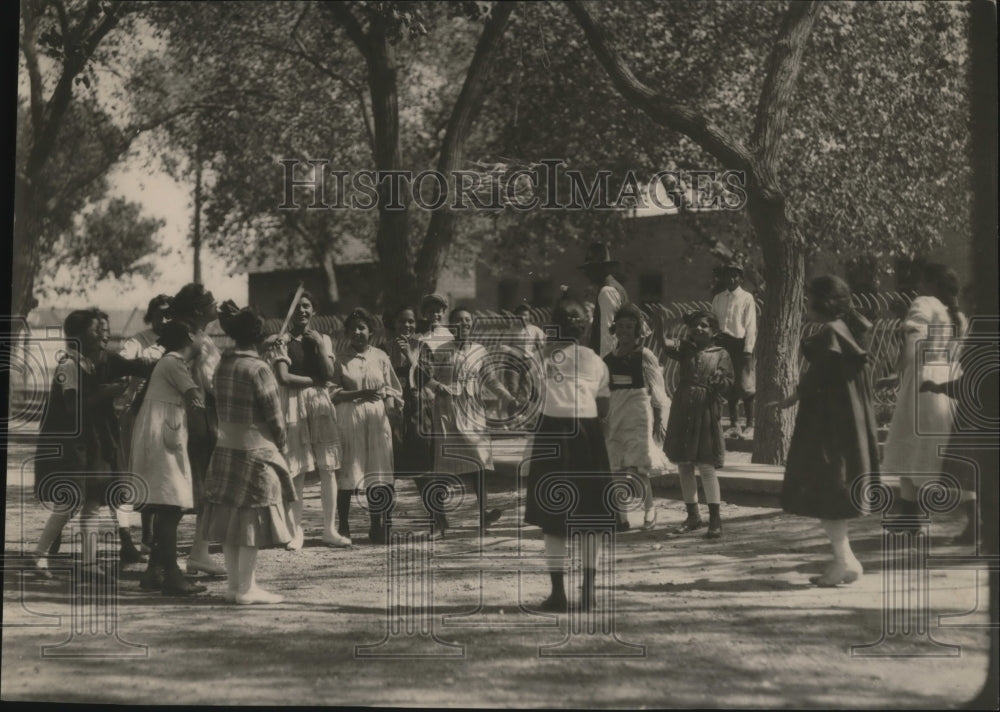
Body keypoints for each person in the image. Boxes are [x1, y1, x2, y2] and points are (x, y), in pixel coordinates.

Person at [772, 275, 880, 587]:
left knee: (828, 488)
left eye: (808, 299)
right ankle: (845, 559)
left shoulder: (832, 334)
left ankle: (845, 561)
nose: (805, 304)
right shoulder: (849, 332)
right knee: (834, 491)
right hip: (846, 425)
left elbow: (816, 377)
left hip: (829, 427)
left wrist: (792, 396)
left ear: (824, 302)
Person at [32, 309, 153, 577]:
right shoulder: (68, 367)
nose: (103, 336)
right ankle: (40, 554)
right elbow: (73, 409)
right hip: (71, 446)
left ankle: (88, 563)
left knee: (92, 504)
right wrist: (106, 393)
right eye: (96, 331)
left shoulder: (92, 364)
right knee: (69, 503)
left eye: (104, 331)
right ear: (76, 336)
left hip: (90, 445)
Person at [199, 302, 295, 605]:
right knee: (250, 521)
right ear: (258, 335)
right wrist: (282, 444)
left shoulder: (223, 365)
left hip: (226, 448)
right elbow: (274, 416)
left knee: (229, 520)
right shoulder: (259, 369)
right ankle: (247, 588)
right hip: (255, 452)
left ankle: (233, 586)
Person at [524, 298, 615, 611]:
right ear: (585, 327)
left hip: (553, 434)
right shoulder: (596, 360)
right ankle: (588, 592)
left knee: (554, 516)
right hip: (588, 437)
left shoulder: (541, 357)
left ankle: (558, 594)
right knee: (590, 515)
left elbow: (534, 395)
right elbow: (603, 407)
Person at [879, 263, 968, 531]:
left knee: (909, 444)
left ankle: (912, 515)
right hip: (948, 378)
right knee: (939, 451)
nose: (918, 287)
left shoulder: (925, 303)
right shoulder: (958, 316)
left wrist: (897, 372)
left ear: (932, 284)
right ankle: (971, 518)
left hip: (922, 379)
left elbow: (913, 338)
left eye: (922, 281)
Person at [422, 307, 516, 535]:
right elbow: (423, 374)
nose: (464, 325)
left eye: (467, 321)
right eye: (459, 321)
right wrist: (437, 386)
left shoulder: (479, 350)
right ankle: (438, 519)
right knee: (444, 466)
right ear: (451, 325)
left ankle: (484, 515)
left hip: (473, 411)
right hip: (447, 410)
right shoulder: (440, 349)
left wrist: (508, 397)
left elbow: (490, 379)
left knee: (480, 461)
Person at [131, 322, 208, 596]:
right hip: (160, 437)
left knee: (168, 504)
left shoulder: (173, 363)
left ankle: (154, 572)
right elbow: (195, 396)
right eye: (202, 333)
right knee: (171, 506)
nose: (205, 338)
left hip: (164, 434)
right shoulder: (173, 363)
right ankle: (173, 575)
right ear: (190, 336)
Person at [263, 290, 344, 549]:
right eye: (297, 306)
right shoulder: (281, 341)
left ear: (314, 310)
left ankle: (330, 530)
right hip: (293, 404)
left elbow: (330, 372)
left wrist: (320, 345)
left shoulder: (324, 339)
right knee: (296, 468)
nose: (302, 311)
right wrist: (315, 381)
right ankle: (295, 532)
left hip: (319, 404)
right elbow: (284, 378)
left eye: (307, 306)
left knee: (328, 467)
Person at [330, 308, 402, 545]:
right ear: (347, 332)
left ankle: (377, 525)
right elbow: (331, 393)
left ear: (371, 331)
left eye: (362, 328)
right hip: (349, 418)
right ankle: (344, 525)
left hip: (376, 419)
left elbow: (391, 387)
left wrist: (390, 404)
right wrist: (359, 393)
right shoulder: (339, 358)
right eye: (353, 328)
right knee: (348, 470)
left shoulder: (380, 356)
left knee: (378, 470)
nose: (357, 332)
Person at [661, 310, 733, 538]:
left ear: (714, 331)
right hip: (683, 408)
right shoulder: (684, 349)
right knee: (684, 464)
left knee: (706, 465)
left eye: (704, 326)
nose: (699, 329)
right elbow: (664, 343)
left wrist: (721, 380)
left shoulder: (722, 354)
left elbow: (729, 382)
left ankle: (715, 518)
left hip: (706, 412)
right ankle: (692, 516)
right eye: (695, 326)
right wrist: (657, 322)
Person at [170, 283, 225, 576]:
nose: (216, 304)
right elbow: (212, 383)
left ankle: (196, 552)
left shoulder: (193, 338)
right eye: (210, 301)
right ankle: (195, 553)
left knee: (196, 487)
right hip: (197, 419)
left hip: (191, 417)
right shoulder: (199, 343)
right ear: (198, 310)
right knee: (199, 487)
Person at [604, 304, 672, 531]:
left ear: (637, 331)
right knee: (616, 466)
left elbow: (658, 389)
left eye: (630, 327)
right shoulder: (608, 359)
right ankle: (620, 516)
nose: (624, 331)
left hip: (638, 413)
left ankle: (649, 511)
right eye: (621, 327)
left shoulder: (644, 355)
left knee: (639, 466)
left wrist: (660, 416)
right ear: (615, 329)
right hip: (615, 414)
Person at [117, 294, 171, 557]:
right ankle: (127, 536)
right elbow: (121, 363)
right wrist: (142, 364)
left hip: (166, 416)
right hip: (136, 414)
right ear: (151, 315)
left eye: (170, 313)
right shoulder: (138, 341)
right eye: (160, 313)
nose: (165, 318)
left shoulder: (177, 342)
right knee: (131, 473)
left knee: (158, 473)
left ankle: (150, 536)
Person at [385, 306, 439, 536]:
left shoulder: (422, 347)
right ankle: (383, 525)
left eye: (411, 322)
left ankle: (438, 521)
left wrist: (409, 355)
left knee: (423, 470)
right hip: (392, 414)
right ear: (393, 323)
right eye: (402, 321)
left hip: (417, 412)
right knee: (389, 470)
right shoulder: (382, 348)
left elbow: (428, 377)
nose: (407, 326)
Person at [711, 260, 757, 440]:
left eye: (735, 275)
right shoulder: (718, 298)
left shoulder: (746, 298)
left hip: (740, 345)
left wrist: (747, 349)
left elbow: (751, 325)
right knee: (728, 384)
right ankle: (734, 424)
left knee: (745, 384)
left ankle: (750, 424)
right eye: (728, 275)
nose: (731, 278)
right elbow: (714, 323)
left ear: (741, 278)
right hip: (723, 344)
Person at [500, 304, 546, 427]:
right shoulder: (512, 330)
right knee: (513, 390)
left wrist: (537, 354)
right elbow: (503, 346)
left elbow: (543, 346)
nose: (522, 317)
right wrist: (514, 351)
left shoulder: (535, 330)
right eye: (519, 315)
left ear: (529, 316)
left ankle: (526, 419)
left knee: (529, 391)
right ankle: (511, 420)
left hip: (529, 363)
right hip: (513, 363)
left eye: (525, 314)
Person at [579, 242, 628, 358]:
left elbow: (608, 336)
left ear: (601, 268)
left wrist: (605, 369)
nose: (587, 274)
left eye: (590, 268)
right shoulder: (616, 287)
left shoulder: (607, 292)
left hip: (609, 365)